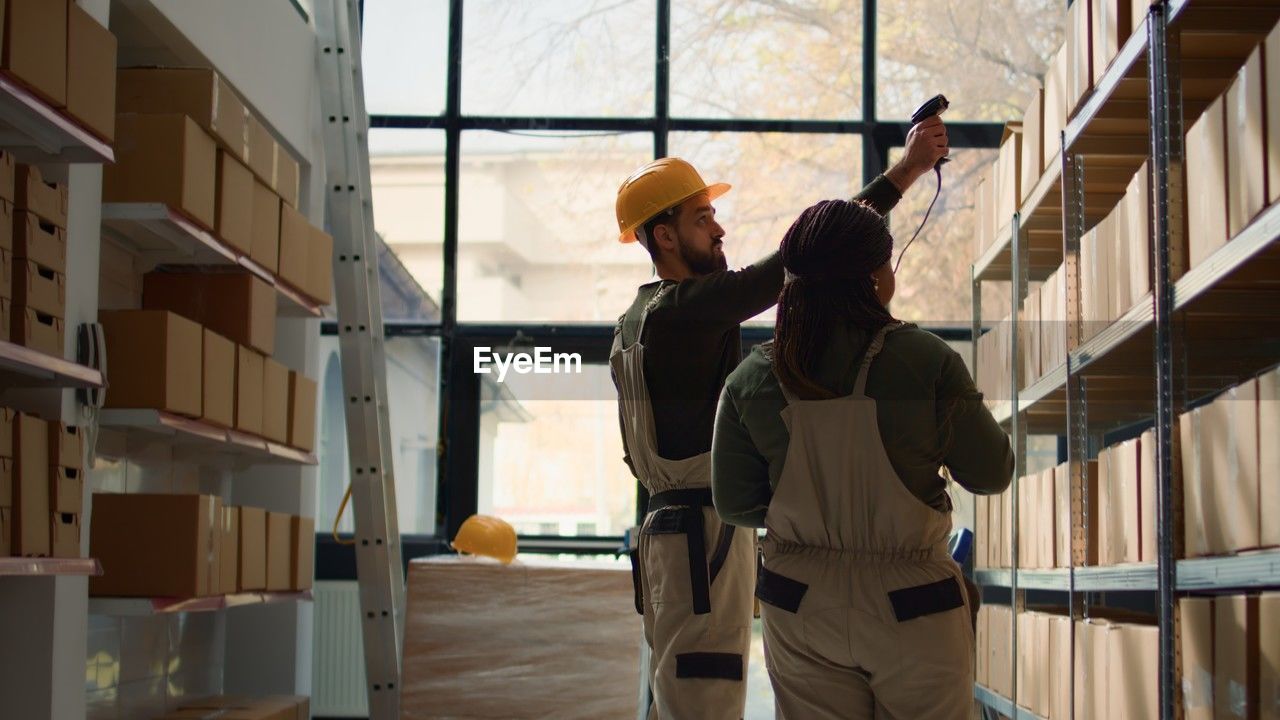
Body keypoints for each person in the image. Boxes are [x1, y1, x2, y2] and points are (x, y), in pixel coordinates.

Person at [610, 115, 949, 720]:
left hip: (668, 534)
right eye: (701, 218)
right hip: (702, 533)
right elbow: (800, 257)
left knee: (678, 690)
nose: (719, 229)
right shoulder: (686, 311)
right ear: (664, 237)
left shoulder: (636, 319)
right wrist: (903, 174)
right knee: (704, 688)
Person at [710, 198, 1013, 719]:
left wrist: (813, 514)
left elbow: (736, 504)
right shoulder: (925, 360)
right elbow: (991, 472)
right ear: (875, 277)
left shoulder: (752, 378)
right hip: (912, 605)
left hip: (799, 601)